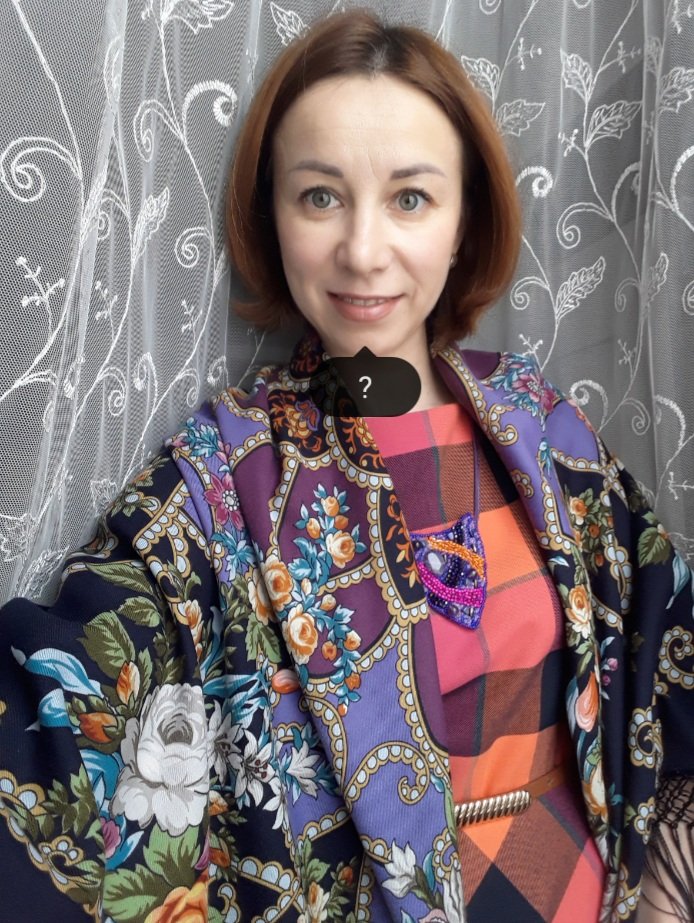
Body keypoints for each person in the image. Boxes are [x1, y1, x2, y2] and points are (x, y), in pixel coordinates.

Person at [0, 9, 692, 922]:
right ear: (272, 217)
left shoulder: (540, 422)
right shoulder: (222, 474)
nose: (363, 251)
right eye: (320, 197)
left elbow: (666, 643)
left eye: (411, 199)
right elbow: (73, 696)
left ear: (464, 219)